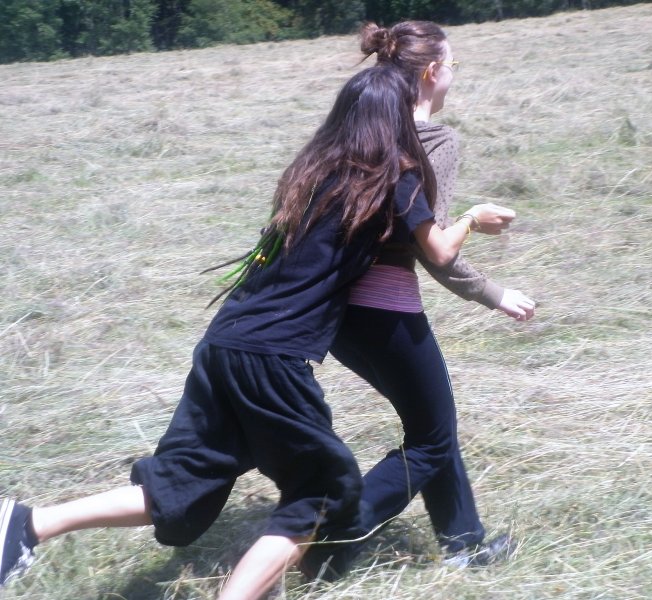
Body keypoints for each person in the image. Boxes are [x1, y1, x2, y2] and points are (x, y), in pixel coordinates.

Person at [0, 64, 502, 598]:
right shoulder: (393, 178)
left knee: (182, 479)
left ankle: (27, 523)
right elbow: (439, 250)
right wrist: (473, 218)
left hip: (224, 342)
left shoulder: (311, 172)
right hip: (273, 357)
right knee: (322, 494)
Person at [299, 21, 536, 581]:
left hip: (333, 313)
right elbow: (436, 249)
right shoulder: (433, 141)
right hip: (386, 311)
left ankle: (464, 542)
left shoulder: (354, 131)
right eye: (453, 65)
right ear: (431, 72)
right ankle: (333, 536)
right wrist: (495, 292)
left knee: (431, 423)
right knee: (433, 435)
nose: (454, 75)